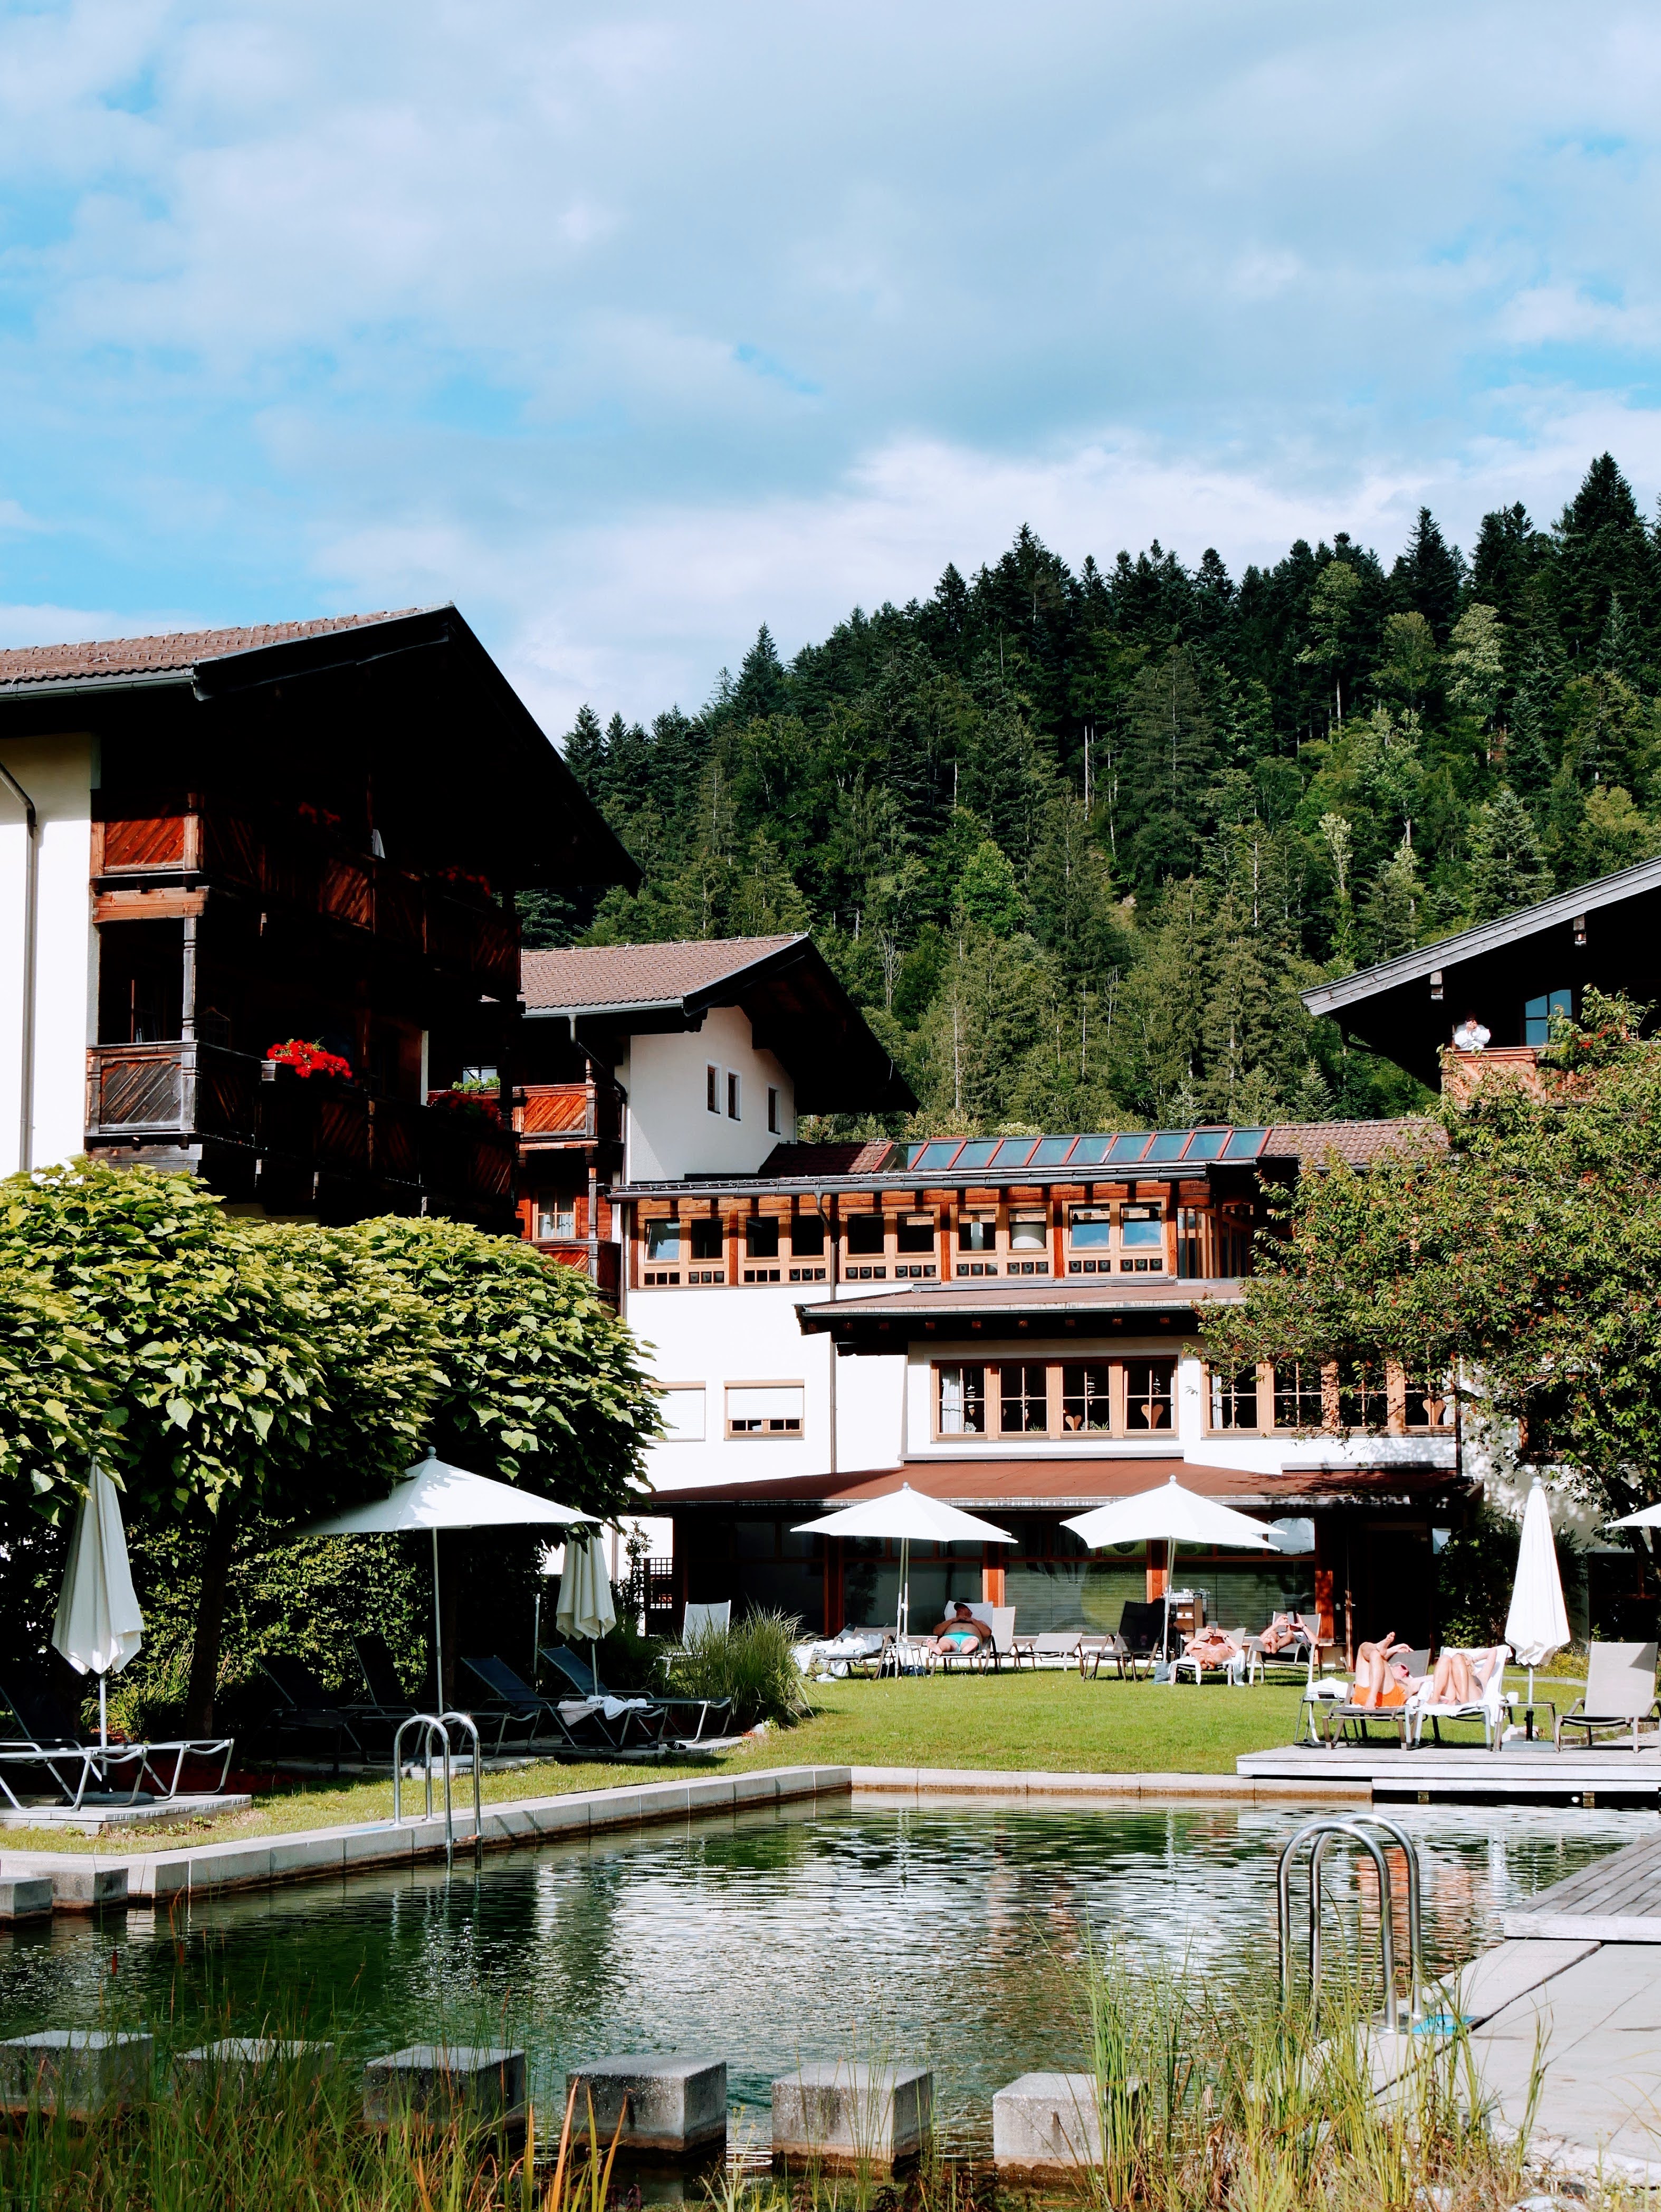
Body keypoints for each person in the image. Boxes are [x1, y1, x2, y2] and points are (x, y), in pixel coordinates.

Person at [1351, 1632, 1420, 1709]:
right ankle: (1377, 1646)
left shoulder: (1409, 1682)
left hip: (1389, 1698)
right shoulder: (1379, 1667)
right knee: (1363, 1647)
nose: (1391, 1666)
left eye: (1397, 1665)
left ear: (1404, 1671)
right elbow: (1378, 1659)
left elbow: (1433, 1679)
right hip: (1363, 1695)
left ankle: (1372, 1698)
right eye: (1391, 1665)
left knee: (1375, 1654)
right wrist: (1394, 1649)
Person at [923, 1601, 992, 1656]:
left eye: (962, 1609)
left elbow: (987, 1633)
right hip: (950, 1638)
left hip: (970, 1637)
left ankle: (967, 1648)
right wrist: (953, 1620)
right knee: (945, 1642)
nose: (959, 1610)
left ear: (970, 1613)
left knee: (971, 1641)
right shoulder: (950, 1622)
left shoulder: (978, 1622)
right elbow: (936, 1632)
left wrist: (972, 1621)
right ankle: (939, 1648)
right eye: (958, 1610)